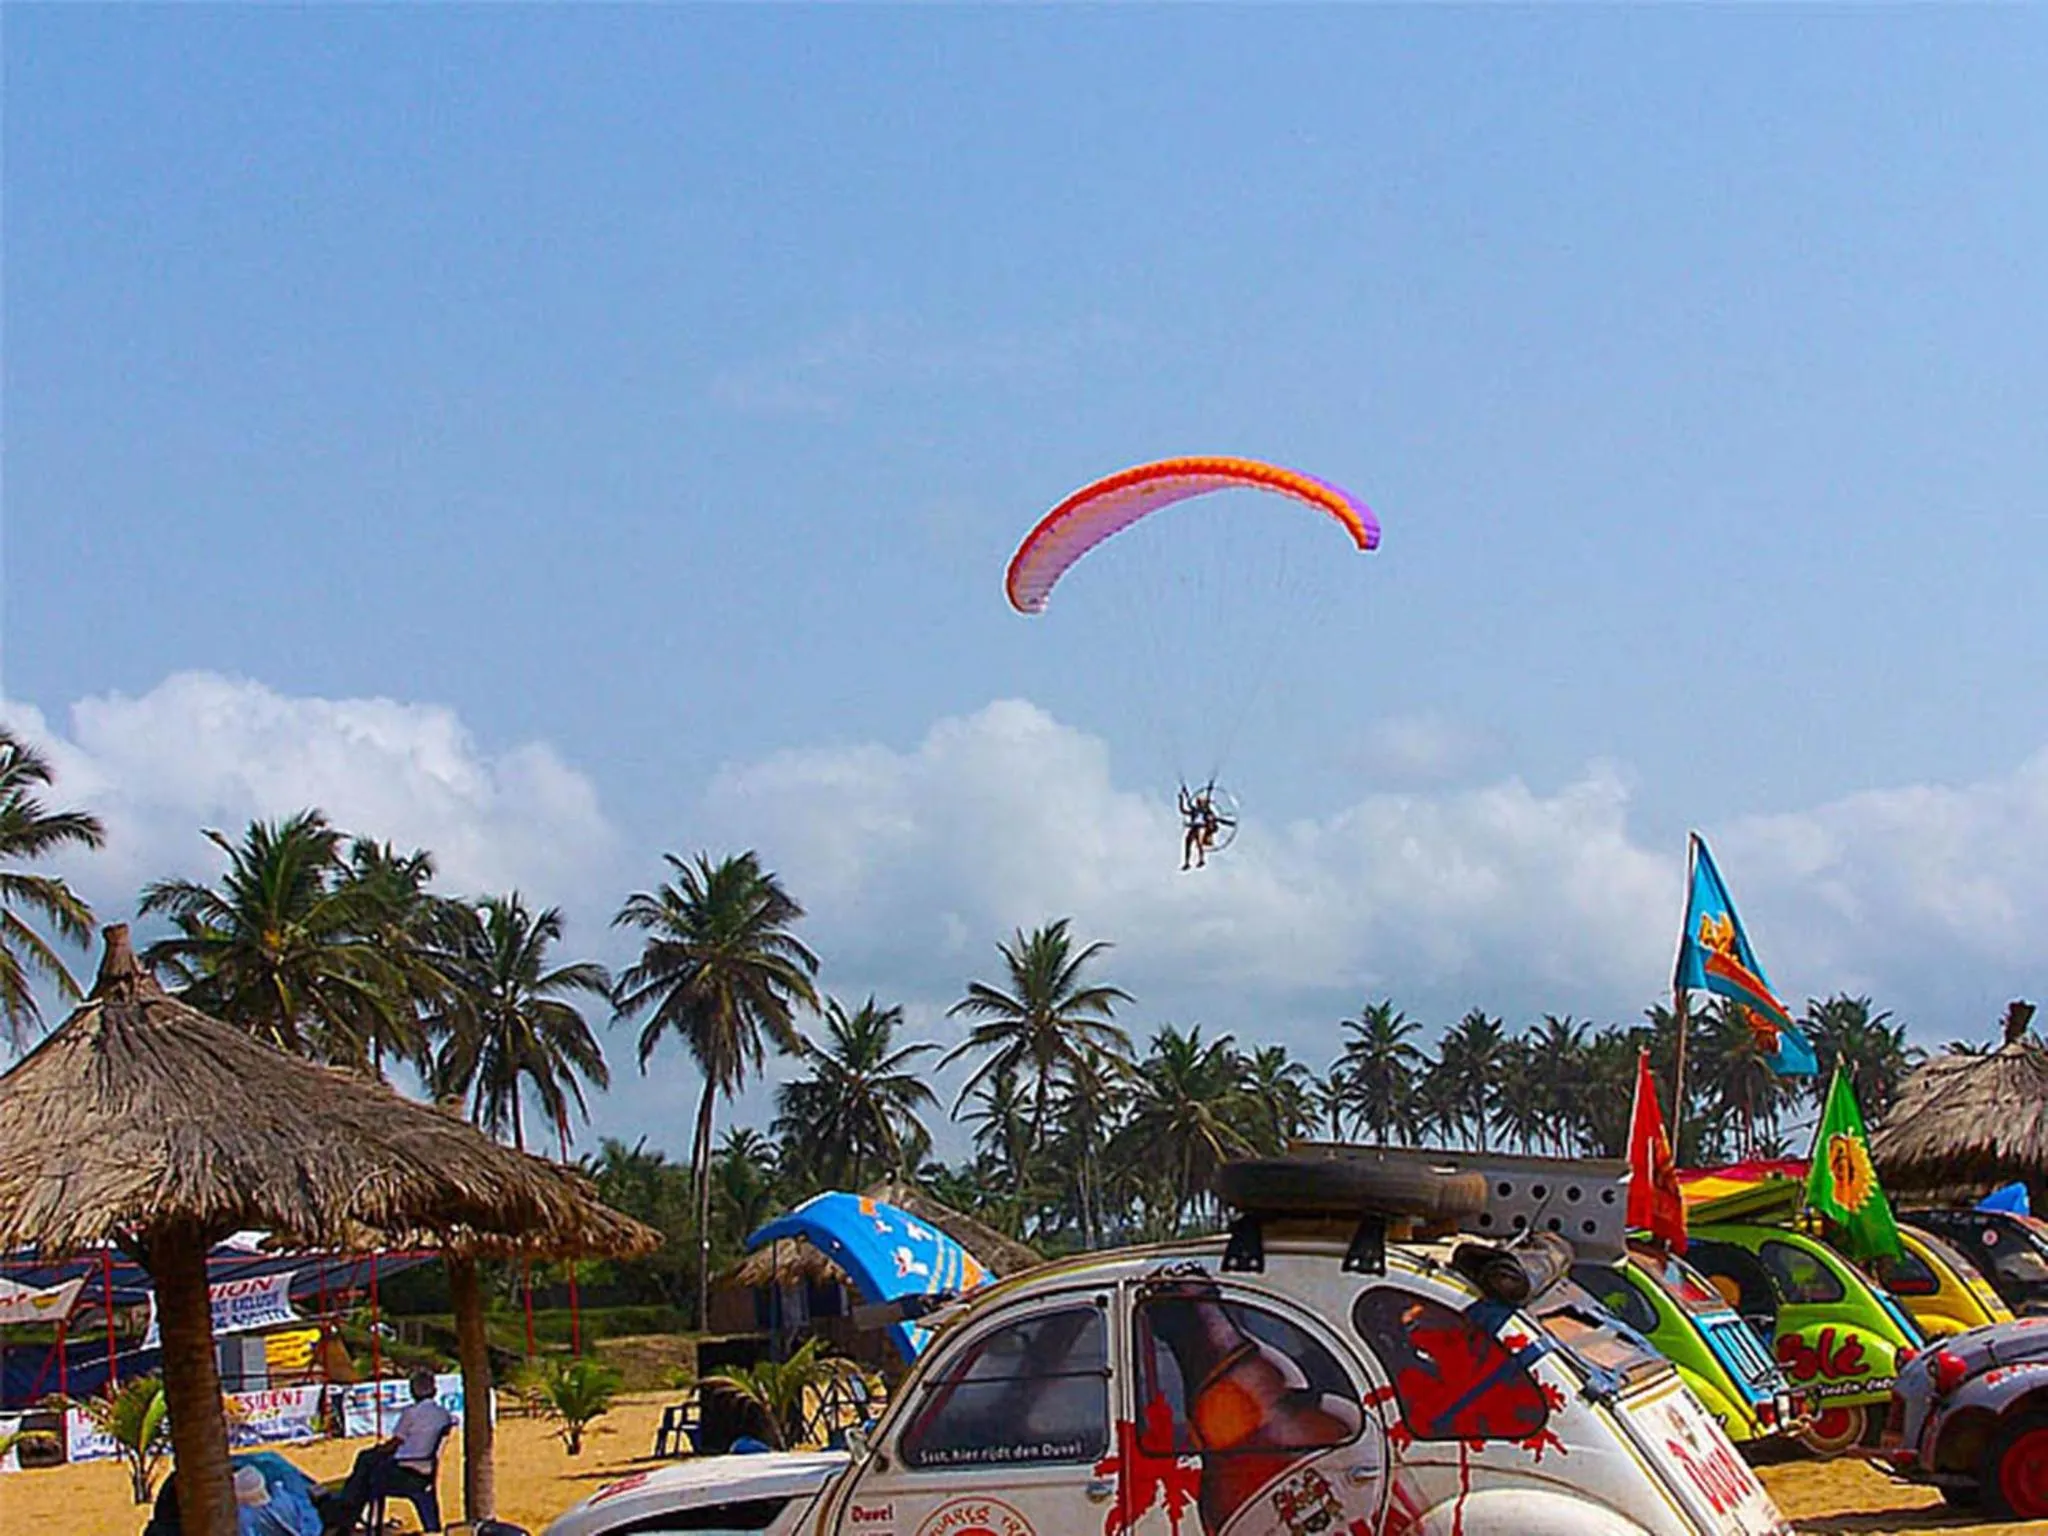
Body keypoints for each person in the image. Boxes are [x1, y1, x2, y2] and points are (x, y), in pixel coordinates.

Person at [320, 1369, 453, 1534]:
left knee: (366, 1466)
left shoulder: (411, 1413)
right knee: (367, 1466)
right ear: (434, 1390)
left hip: (405, 1471)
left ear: (412, 1391)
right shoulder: (443, 1415)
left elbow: (395, 1443)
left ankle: (346, 1512)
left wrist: (379, 1450)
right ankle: (349, 1511)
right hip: (424, 1468)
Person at [1179, 783, 1226, 871]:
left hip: (1200, 828)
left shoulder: (1206, 811)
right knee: (1188, 842)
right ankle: (1187, 862)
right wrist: (1181, 799)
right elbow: (1183, 810)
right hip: (1194, 828)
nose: (1198, 803)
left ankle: (1201, 859)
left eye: (1200, 802)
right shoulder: (1194, 810)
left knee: (1199, 843)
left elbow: (1210, 817)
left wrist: (1209, 791)